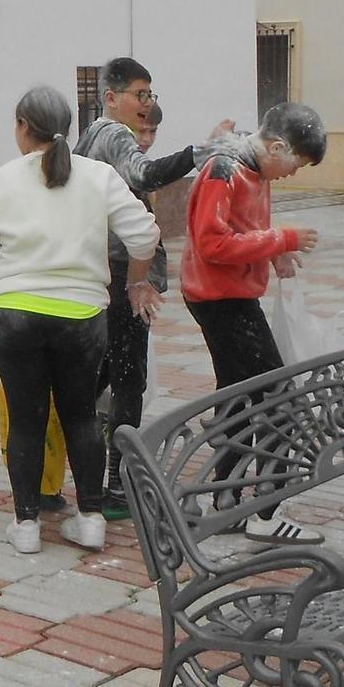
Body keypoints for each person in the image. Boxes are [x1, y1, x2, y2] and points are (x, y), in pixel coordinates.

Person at [0, 85, 161, 555]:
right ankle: (90, 520)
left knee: (26, 417)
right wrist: (135, 282)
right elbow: (144, 234)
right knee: (80, 416)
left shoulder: (2, 179)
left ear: (21, 126)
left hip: (13, 314)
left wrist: (0, 286)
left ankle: (27, 526)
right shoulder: (98, 177)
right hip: (81, 316)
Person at [75, 57, 232, 520]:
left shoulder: (91, 138)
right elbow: (142, 175)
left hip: (103, 272)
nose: (147, 106)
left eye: (150, 96)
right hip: (124, 276)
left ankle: (92, 481)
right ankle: (116, 488)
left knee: (100, 378)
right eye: (140, 96)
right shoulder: (114, 135)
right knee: (127, 382)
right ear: (111, 97)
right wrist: (202, 152)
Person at [181, 104, 328, 543]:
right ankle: (267, 512)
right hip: (221, 300)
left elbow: (244, 227)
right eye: (296, 163)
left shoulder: (252, 170)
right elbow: (213, 243)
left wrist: (273, 252)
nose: (293, 173)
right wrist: (282, 238)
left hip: (229, 297)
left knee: (238, 398)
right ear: (278, 146)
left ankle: (226, 500)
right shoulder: (225, 170)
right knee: (279, 401)